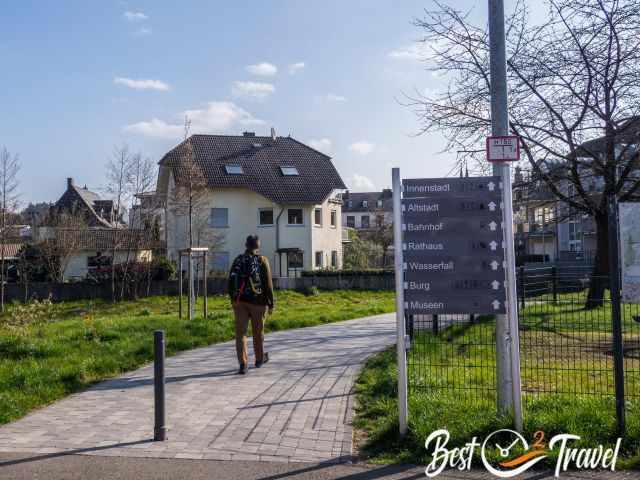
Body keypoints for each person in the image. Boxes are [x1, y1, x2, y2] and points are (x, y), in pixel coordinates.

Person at [228, 235, 274, 375]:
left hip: (240, 302)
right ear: (258, 246)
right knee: (257, 332)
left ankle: (243, 364)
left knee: (240, 333)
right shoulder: (262, 260)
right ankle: (259, 359)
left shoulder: (238, 260)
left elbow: (230, 280)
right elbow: (268, 284)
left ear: (245, 245)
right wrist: (271, 303)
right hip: (258, 303)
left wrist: (233, 299)